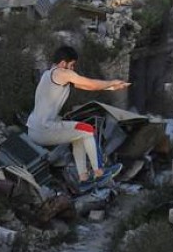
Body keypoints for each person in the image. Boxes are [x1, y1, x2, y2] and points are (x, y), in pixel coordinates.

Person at [27, 45, 128, 192]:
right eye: (72, 65)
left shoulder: (49, 74)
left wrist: (111, 87)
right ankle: (99, 173)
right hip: (44, 128)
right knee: (87, 130)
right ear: (63, 63)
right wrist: (112, 82)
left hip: (36, 128)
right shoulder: (61, 73)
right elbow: (90, 83)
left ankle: (83, 179)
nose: (73, 69)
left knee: (79, 135)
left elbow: (86, 86)